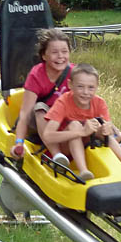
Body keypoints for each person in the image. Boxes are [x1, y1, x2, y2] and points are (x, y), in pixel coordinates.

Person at [40, 63, 121, 181]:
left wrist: (107, 129)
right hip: (65, 149)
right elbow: (48, 136)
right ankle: (83, 171)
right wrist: (82, 132)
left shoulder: (99, 103)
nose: (86, 92)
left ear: (97, 86)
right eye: (80, 86)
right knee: (75, 125)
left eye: (91, 87)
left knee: (102, 128)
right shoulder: (63, 102)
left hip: (88, 143)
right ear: (70, 85)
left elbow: (108, 125)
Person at [11, 28, 72, 160]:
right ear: (44, 55)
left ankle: (117, 140)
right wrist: (19, 143)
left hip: (63, 121)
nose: (61, 56)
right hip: (42, 120)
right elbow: (25, 113)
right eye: (54, 52)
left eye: (64, 52)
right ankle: (56, 155)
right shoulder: (36, 75)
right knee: (40, 107)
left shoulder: (73, 72)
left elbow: (89, 102)